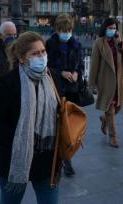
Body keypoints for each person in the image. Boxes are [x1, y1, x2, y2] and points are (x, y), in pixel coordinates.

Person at [0, 32, 60, 204]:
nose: (41, 56)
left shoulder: (52, 78)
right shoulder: (7, 83)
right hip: (14, 158)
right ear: (22, 58)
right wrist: (19, 138)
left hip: (47, 159)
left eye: (43, 51)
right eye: (35, 53)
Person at [46, 14, 83, 176]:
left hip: (72, 91)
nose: (66, 33)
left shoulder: (76, 44)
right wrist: (61, 73)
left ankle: (65, 158)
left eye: (68, 30)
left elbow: (81, 64)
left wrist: (76, 73)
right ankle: (63, 160)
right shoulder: (50, 44)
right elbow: (46, 67)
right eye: (63, 30)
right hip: (55, 90)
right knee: (58, 126)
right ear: (57, 29)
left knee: (69, 127)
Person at [88, 18, 123, 148]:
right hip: (106, 81)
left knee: (119, 105)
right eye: (110, 28)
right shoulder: (99, 43)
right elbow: (94, 64)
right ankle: (113, 137)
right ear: (105, 28)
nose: (112, 30)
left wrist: (121, 44)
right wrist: (91, 84)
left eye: (114, 28)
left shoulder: (118, 39)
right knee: (110, 109)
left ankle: (104, 119)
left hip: (120, 80)